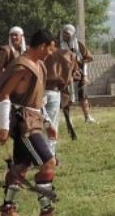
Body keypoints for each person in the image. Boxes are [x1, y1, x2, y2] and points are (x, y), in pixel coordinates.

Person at [0, 29, 58, 216]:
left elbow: (37, 100)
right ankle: (46, 210)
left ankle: (8, 208)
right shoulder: (22, 66)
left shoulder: (39, 65)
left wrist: (47, 122)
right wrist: (4, 127)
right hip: (25, 124)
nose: (50, 53)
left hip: (34, 120)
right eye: (49, 49)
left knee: (21, 166)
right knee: (48, 162)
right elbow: (5, 94)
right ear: (42, 46)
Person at [43, 25, 77, 156]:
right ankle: (49, 156)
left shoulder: (37, 54)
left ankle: (43, 155)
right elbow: (69, 73)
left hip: (41, 91)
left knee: (41, 125)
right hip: (53, 91)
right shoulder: (65, 54)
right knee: (51, 124)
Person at [62, 24, 96, 123]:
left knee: (83, 96)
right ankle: (68, 119)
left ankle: (87, 117)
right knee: (67, 98)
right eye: (63, 32)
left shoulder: (79, 45)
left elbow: (87, 58)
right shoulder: (59, 45)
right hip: (65, 75)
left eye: (67, 33)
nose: (64, 35)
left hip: (79, 73)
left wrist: (84, 74)